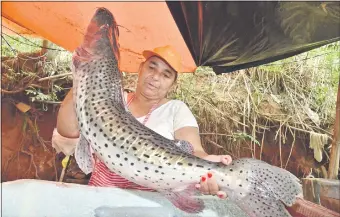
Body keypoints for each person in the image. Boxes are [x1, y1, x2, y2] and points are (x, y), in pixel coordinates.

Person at [52, 45, 232, 199]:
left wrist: (210, 165)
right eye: (151, 67)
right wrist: (81, 77)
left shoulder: (176, 109)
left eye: (166, 74)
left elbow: (195, 150)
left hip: (150, 206)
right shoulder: (112, 101)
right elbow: (67, 129)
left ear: (173, 84)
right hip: (100, 199)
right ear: (140, 68)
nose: (155, 77)